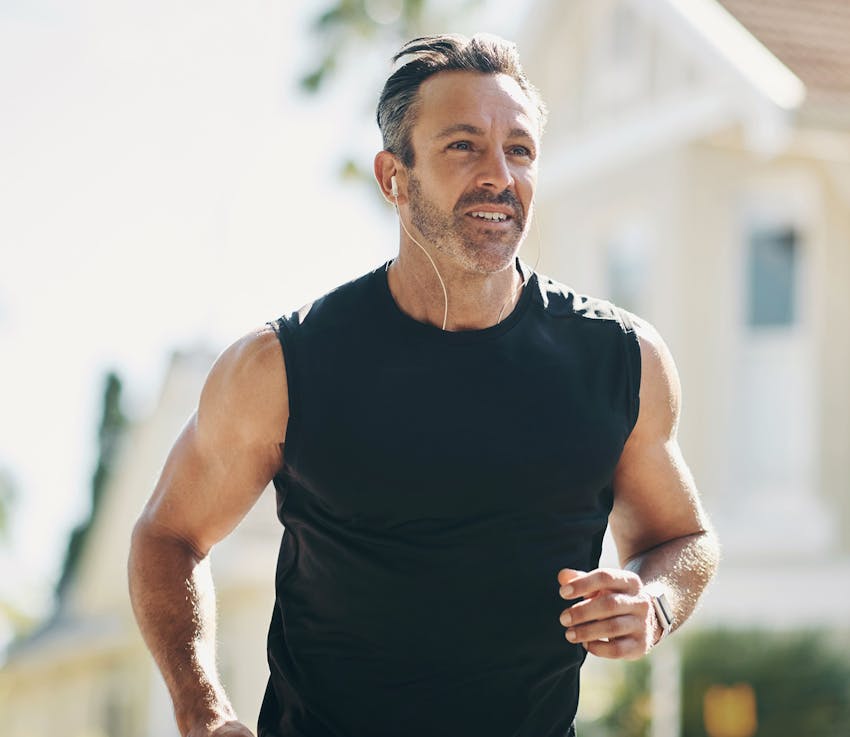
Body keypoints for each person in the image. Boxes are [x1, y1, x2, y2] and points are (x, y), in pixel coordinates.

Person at [128, 33, 719, 737]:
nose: (499, 175)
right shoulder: (283, 366)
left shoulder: (620, 361)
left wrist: (652, 603)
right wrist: (203, 712)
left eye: (520, 150)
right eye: (463, 146)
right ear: (393, 178)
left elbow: (683, 536)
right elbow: (167, 535)